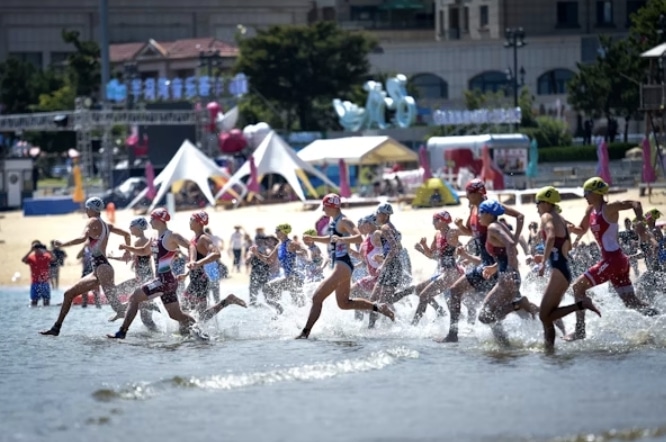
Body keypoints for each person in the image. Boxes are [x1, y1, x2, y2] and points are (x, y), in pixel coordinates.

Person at [107, 208, 245, 339]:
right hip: (172, 281)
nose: (149, 222)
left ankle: (122, 332)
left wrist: (192, 261)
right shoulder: (155, 238)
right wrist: (127, 247)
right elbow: (143, 251)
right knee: (176, 315)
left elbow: (192, 247)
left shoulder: (173, 236)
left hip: (166, 280)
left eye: (152, 219)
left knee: (134, 297)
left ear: (160, 220)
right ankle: (200, 334)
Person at [566, 177, 658, 341]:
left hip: (613, 260)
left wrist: (640, 223)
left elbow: (635, 203)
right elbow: (581, 230)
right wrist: (569, 227)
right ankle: (660, 317)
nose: (585, 195)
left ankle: (580, 330)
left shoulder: (608, 208)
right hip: (619, 261)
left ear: (596, 193)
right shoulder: (590, 211)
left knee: (578, 288)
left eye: (587, 192)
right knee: (631, 302)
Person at [436, 178, 526, 343]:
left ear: (478, 193)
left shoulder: (490, 207)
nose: (466, 196)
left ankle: (515, 336)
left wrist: (513, 238)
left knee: (494, 311)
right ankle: (453, 334)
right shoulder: (473, 209)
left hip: (497, 266)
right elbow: (473, 233)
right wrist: (460, 228)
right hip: (483, 265)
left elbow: (520, 216)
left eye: (469, 193)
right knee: (456, 291)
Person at [296, 194, 394, 339]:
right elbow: (332, 239)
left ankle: (305, 333)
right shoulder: (334, 222)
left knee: (317, 298)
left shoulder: (344, 220)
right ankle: (379, 307)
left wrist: (342, 239)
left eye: (324, 206)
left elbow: (358, 237)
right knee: (344, 303)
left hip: (342, 265)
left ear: (331, 206)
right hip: (342, 265)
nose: (322, 209)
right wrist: (314, 238)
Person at [40, 197, 131, 336]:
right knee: (68, 294)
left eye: (86, 208)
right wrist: (127, 251)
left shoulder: (92, 221)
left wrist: (63, 244)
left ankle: (140, 304)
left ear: (90, 209)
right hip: (98, 270)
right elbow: (126, 234)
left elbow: (82, 238)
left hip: (102, 268)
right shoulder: (107, 225)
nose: (86, 211)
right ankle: (56, 328)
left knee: (117, 306)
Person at [534, 186, 597, 352]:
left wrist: (543, 262)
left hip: (559, 271)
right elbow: (567, 246)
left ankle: (581, 304)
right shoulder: (560, 218)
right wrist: (552, 255)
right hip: (563, 268)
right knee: (547, 316)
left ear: (545, 203)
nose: (537, 207)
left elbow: (551, 237)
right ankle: (549, 351)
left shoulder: (547, 216)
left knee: (544, 315)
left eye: (537, 203)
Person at [109, 217, 159, 331]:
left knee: (115, 291)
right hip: (144, 278)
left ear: (137, 228)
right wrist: (112, 257)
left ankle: (122, 311)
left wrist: (125, 247)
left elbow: (140, 252)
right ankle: (158, 334)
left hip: (143, 279)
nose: (129, 229)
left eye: (131, 227)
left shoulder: (140, 241)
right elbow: (131, 258)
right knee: (146, 320)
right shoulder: (142, 241)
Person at [22, 241, 53, 307]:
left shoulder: (46, 256)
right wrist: (30, 251)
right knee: (34, 302)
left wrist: (46, 250)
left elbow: (54, 258)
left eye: (39, 247)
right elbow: (23, 260)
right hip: (35, 282)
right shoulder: (31, 257)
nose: (37, 249)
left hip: (45, 282)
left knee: (46, 302)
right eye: (35, 247)